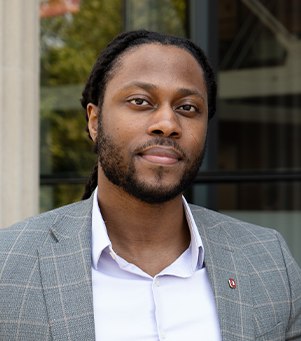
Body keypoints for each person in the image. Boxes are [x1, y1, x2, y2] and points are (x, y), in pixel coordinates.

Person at [0, 30, 300, 341]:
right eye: (140, 101)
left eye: (187, 108)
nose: (168, 124)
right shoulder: (8, 263)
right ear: (94, 121)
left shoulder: (268, 260)